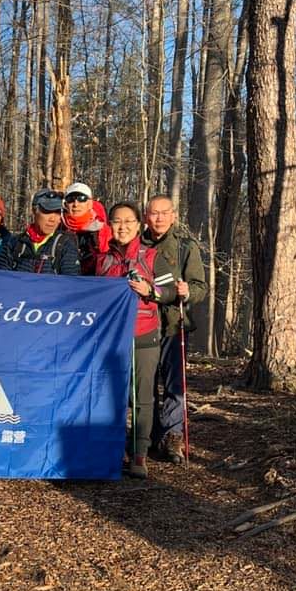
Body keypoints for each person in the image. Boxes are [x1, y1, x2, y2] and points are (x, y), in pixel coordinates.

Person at [96, 201, 176, 478]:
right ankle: (111, 450)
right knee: (110, 396)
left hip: (144, 335)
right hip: (110, 340)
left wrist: (150, 290)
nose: (122, 227)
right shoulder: (102, 259)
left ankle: (139, 454)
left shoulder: (152, 256)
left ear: (139, 224)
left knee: (143, 398)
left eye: (128, 221)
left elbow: (171, 291)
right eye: (117, 221)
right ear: (110, 225)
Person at [142, 195, 207, 463]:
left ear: (173, 216)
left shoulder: (184, 247)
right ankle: (147, 435)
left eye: (163, 213)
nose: (158, 218)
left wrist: (188, 291)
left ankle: (172, 436)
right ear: (146, 216)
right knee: (145, 385)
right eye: (153, 213)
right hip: (142, 324)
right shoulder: (137, 243)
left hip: (172, 324)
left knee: (173, 384)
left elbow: (200, 287)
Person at [0, 189, 81, 275]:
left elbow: (71, 283)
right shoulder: (15, 243)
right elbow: (1, 278)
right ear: (34, 211)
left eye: (57, 212)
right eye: (47, 211)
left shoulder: (65, 244)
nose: (53, 219)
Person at [61, 181, 111, 275]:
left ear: (90, 204)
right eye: (71, 199)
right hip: (65, 280)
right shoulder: (59, 226)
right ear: (65, 204)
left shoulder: (102, 229)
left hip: (95, 280)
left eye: (82, 199)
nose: (76, 204)